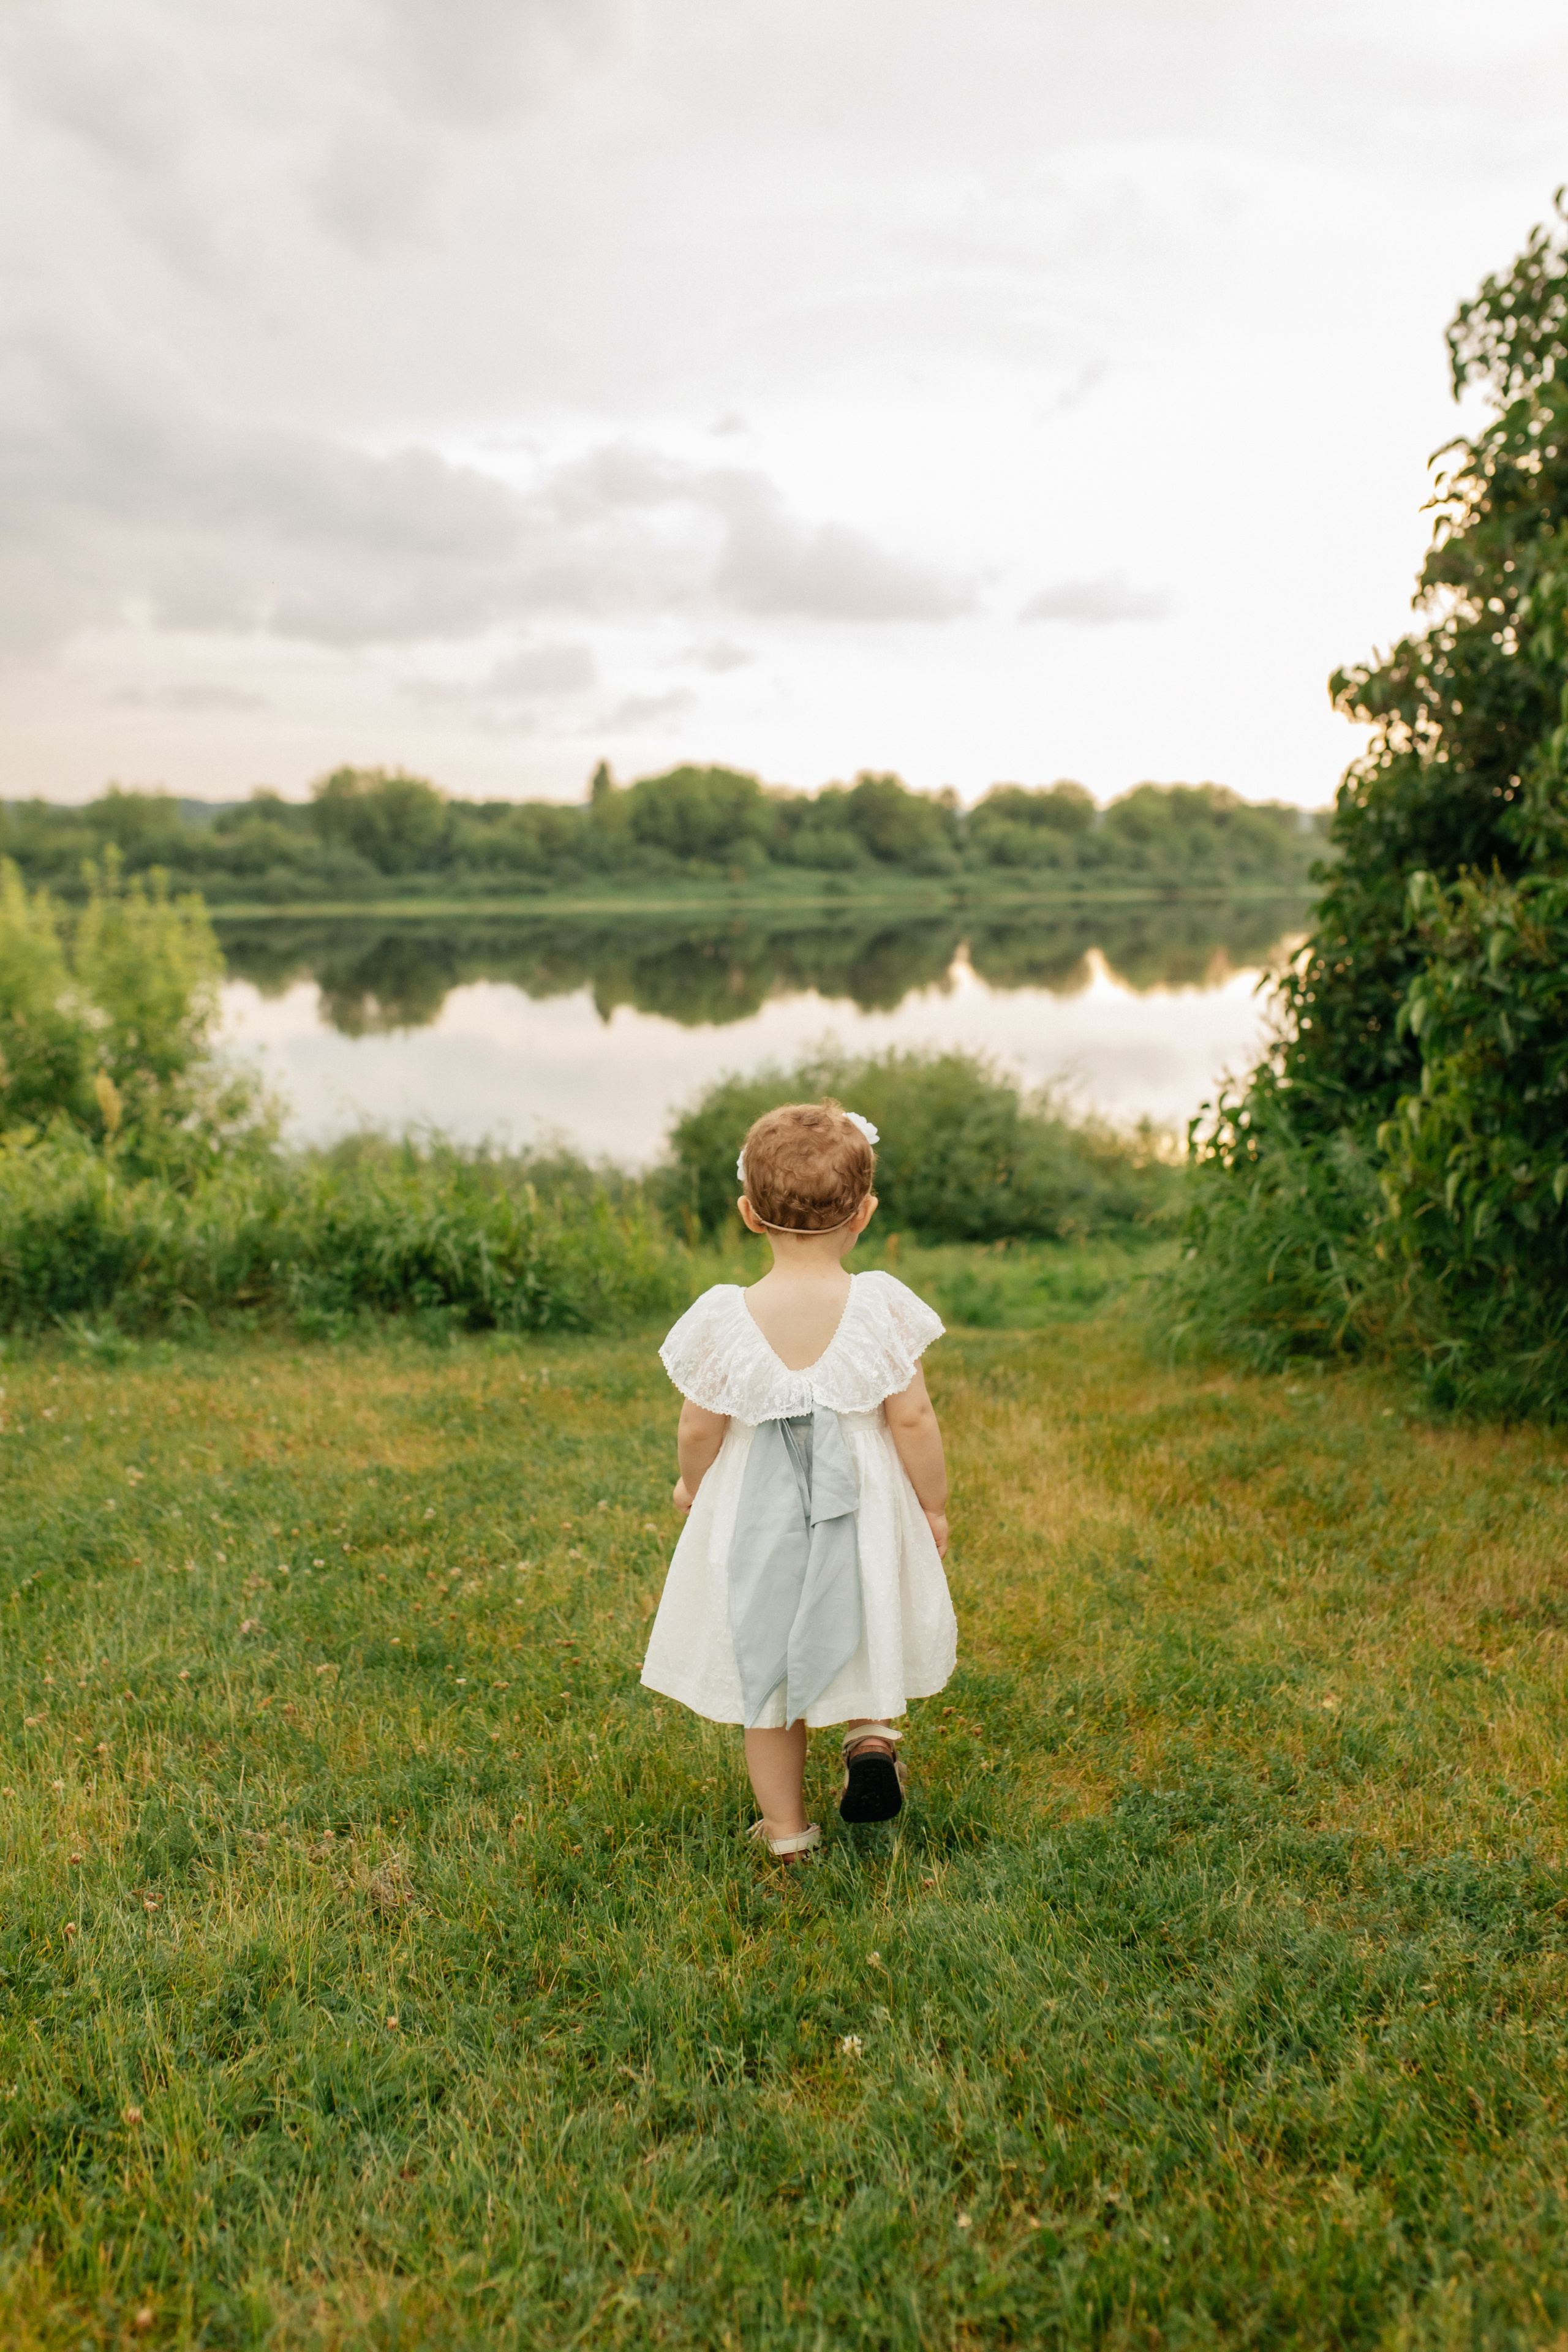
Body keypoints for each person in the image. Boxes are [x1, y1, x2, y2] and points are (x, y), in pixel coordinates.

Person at [642, 1099, 956, 1860]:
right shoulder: (878, 1305)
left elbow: (697, 1427)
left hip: (759, 1517)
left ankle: (787, 1834)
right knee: (866, 1614)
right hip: (866, 1506)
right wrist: (934, 1507)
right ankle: (870, 1742)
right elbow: (912, 1418)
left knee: (769, 1657)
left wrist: (692, 1487)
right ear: (867, 1212)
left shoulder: (724, 1316)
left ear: (749, 1213)